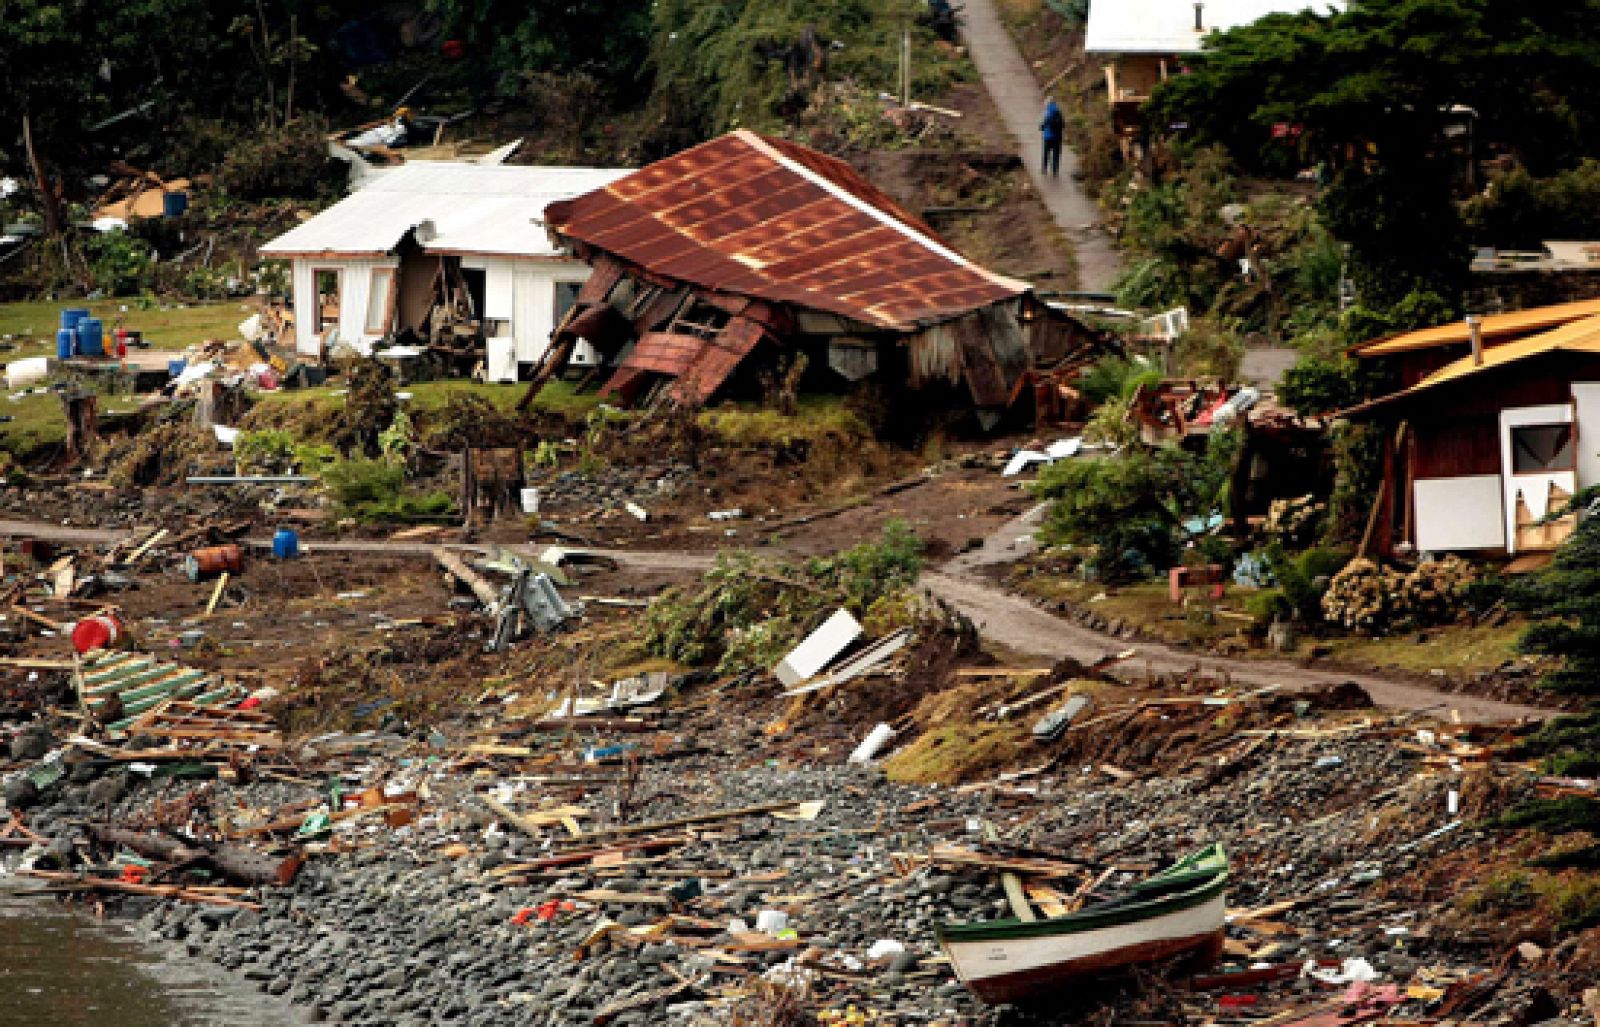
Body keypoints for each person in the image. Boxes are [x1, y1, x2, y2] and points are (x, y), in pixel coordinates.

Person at [1040, 97, 1066, 178]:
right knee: (1056, 155)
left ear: (1047, 103)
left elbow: (1042, 125)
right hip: (1057, 137)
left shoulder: (1047, 112)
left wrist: (1041, 127)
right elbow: (1063, 124)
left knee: (1046, 153)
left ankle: (1044, 169)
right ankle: (1055, 171)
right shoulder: (1058, 111)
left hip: (1047, 137)